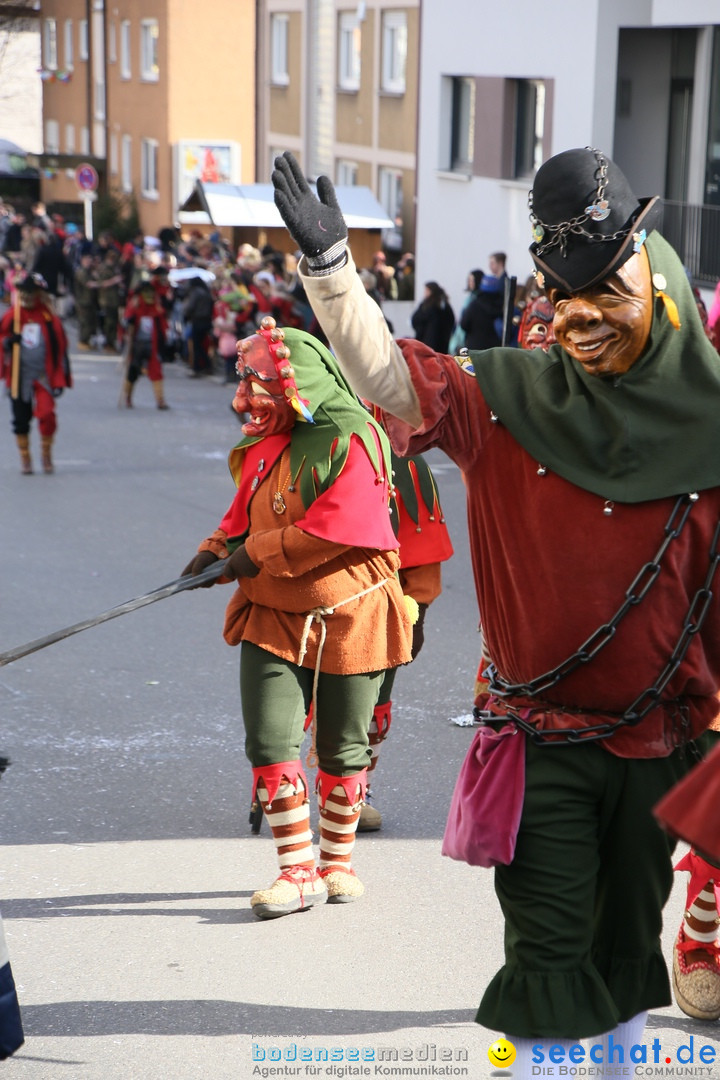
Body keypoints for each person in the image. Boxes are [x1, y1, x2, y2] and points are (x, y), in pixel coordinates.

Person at [271, 146, 720, 1075]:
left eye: (606, 287)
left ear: (664, 284)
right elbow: (392, 382)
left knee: (627, 954)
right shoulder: (505, 398)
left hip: (664, 747)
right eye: (565, 295)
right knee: (549, 956)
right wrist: (330, 272)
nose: (583, 316)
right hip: (544, 738)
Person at [181, 316, 412, 919]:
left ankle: (337, 861)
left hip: (351, 615)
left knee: (342, 749)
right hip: (273, 614)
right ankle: (298, 871)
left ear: (294, 387)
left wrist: (247, 556)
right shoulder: (271, 440)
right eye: (242, 383)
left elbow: (336, 528)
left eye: (254, 386)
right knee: (268, 739)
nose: (240, 401)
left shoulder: (353, 437)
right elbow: (246, 508)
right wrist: (214, 547)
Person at [359, 450, 454, 830]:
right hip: (299, 601)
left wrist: (418, 614)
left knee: (371, 701)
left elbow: (422, 552)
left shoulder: (403, 463)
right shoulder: (285, 448)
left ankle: (355, 790)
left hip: (379, 610)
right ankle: (281, 780)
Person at [0, 271, 71, 474]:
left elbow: (61, 350)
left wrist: (60, 379)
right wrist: (7, 342)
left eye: (32, 293)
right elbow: (1, 337)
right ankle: (25, 458)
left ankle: (46, 453)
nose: (28, 297)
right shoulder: (13, 315)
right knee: (21, 418)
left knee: (47, 414)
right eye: (25, 293)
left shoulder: (50, 318)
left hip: (43, 376)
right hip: (19, 376)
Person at [121, 274, 169, 409]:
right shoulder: (135, 304)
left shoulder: (156, 306)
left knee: (156, 371)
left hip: (152, 344)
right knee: (133, 372)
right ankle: (128, 397)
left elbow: (162, 322)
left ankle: (160, 400)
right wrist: (129, 321)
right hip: (137, 344)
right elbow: (126, 321)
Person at [410, 281, 455, 352]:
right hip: (442, 344)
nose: (425, 292)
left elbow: (416, 319)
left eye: (426, 290)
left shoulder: (427, 306)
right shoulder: (443, 305)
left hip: (427, 343)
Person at [448, 268, 484, 354]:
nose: (470, 283)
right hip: (462, 335)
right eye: (469, 280)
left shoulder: (477, 300)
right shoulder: (469, 298)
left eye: (472, 280)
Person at [73, 251, 99, 350]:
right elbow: (88, 284)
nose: (89, 262)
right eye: (86, 260)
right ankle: (83, 341)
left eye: (89, 260)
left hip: (89, 301)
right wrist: (102, 284)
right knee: (84, 322)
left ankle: (87, 340)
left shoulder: (89, 272)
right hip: (82, 301)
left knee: (90, 322)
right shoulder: (81, 272)